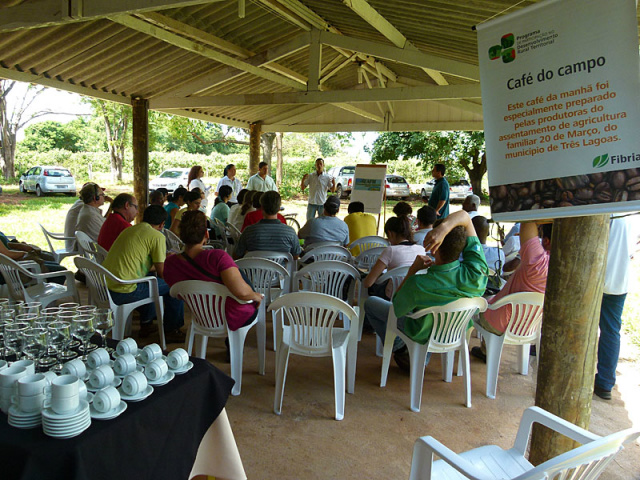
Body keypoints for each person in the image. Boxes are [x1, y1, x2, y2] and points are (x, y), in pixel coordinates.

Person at [364, 210, 488, 371]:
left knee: (372, 303)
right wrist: (444, 228)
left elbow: (396, 308)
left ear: (434, 248)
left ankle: (400, 347)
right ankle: (416, 353)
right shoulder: (476, 272)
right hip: (455, 332)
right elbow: (465, 217)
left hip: (423, 333)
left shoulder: (418, 283)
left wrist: (412, 271)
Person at [165, 210, 262, 332]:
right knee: (237, 273)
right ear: (206, 234)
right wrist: (255, 296)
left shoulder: (170, 263)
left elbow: (176, 293)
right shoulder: (217, 257)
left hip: (202, 316)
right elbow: (242, 293)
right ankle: (232, 344)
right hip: (233, 316)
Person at [102, 205, 185, 343]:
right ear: (162, 224)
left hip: (107, 287)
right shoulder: (157, 236)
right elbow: (162, 272)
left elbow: (140, 261)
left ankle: (147, 323)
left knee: (150, 280)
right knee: (174, 285)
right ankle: (172, 329)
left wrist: (161, 258)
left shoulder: (129, 229)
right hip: (125, 291)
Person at [471, 221, 552, 361]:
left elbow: (528, 221)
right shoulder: (568, 268)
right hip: (530, 327)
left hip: (499, 323)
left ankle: (486, 351)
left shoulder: (538, 262)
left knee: (483, 305)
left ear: (545, 240)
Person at [594, 216, 635, 400]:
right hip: (620, 282)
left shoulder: (608, 211)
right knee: (611, 331)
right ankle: (605, 383)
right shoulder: (633, 215)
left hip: (598, 277)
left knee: (579, 324)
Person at [363, 215, 425, 300]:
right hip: (415, 297)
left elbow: (368, 283)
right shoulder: (421, 250)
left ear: (390, 233)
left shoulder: (390, 250)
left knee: (369, 301)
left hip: (392, 298)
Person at [234, 191, 302, 260]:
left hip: (253, 270)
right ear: (279, 208)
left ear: (262, 207)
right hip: (281, 270)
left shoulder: (249, 232)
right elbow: (296, 256)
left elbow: (237, 255)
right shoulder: (290, 232)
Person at [64, 183, 112, 250]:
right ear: (96, 198)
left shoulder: (89, 209)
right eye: (102, 195)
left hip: (85, 244)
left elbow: (104, 224)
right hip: (91, 249)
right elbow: (105, 234)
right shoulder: (90, 214)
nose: (104, 196)